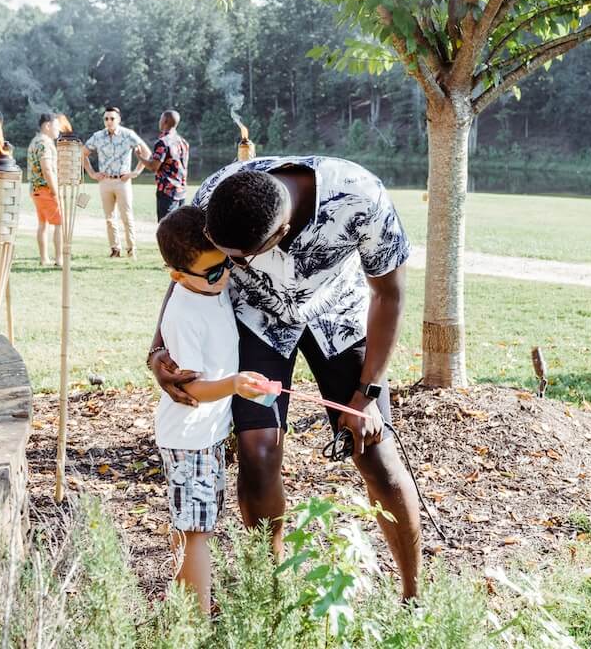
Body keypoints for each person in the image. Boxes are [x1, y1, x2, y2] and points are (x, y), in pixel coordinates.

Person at [148, 157, 421, 601]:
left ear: (279, 237)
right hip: (258, 320)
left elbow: (389, 293)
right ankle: (271, 594)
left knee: (378, 459)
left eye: (237, 259)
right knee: (258, 451)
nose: (230, 265)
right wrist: (159, 349)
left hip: (339, 314)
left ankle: (414, 596)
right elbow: (186, 270)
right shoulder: (218, 193)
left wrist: (367, 392)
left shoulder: (362, 197)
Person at [153, 205, 266, 613]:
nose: (226, 275)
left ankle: (184, 605)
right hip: (189, 437)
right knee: (197, 529)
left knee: (193, 523)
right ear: (178, 276)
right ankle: (196, 623)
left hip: (207, 434)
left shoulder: (210, 289)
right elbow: (192, 388)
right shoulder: (183, 312)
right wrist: (235, 385)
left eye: (227, 264)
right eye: (214, 272)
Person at [82, 106, 150, 259]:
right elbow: (83, 154)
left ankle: (131, 249)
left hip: (122, 181)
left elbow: (147, 153)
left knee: (127, 216)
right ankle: (115, 249)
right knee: (109, 218)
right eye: (106, 118)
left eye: (112, 118)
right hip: (105, 182)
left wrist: (136, 172)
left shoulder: (128, 135)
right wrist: (92, 173)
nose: (109, 121)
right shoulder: (97, 136)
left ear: (118, 119)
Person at [137, 109, 190, 221]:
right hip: (181, 192)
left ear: (165, 121)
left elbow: (153, 166)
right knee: (178, 229)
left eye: (161, 118)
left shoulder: (163, 142)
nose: (159, 121)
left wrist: (139, 156)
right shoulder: (183, 142)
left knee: (165, 229)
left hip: (167, 192)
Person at [27, 113, 62, 266]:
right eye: (57, 125)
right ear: (48, 126)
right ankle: (60, 259)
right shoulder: (45, 143)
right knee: (59, 224)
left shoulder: (35, 141)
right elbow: (47, 169)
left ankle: (44, 258)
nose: (59, 129)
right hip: (46, 190)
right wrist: (55, 192)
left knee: (43, 224)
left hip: (35, 190)